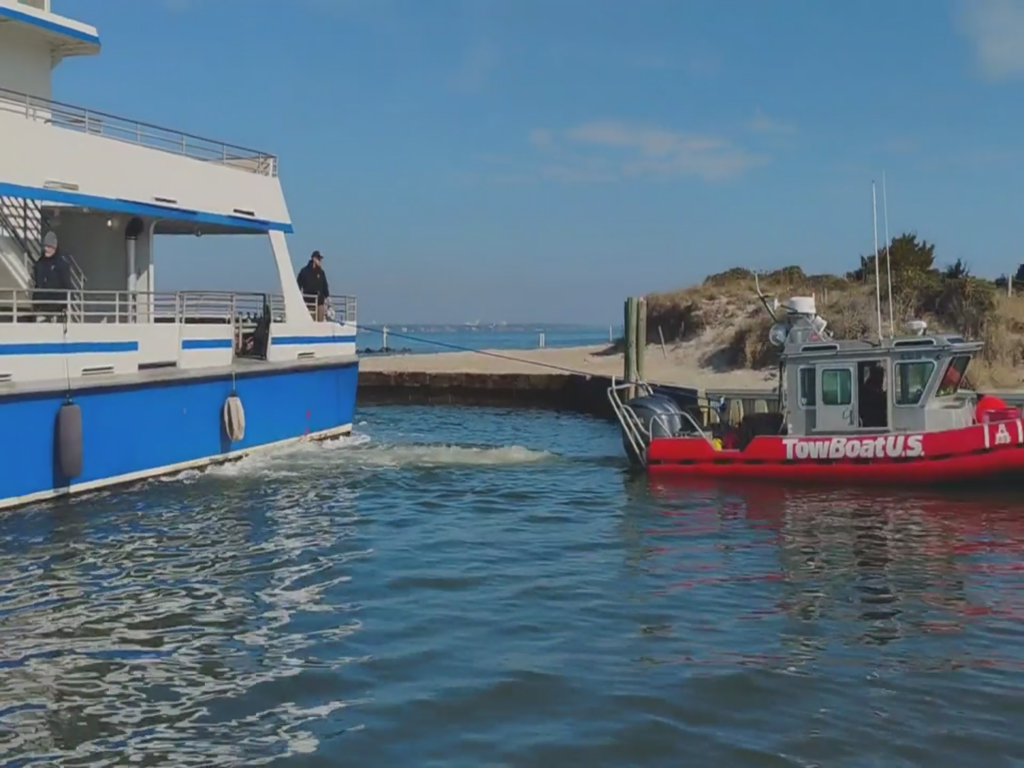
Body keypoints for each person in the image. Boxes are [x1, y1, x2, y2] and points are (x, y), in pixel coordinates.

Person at [32, 231, 72, 322]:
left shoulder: (62, 265)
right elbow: (37, 285)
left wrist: (64, 306)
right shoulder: (39, 264)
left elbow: (67, 286)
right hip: (41, 308)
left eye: (50, 247)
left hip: (57, 309)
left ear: (55, 247)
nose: (47, 249)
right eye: (45, 246)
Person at [296, 250, 330, 321]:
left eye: (320, 259)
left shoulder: (321, 272)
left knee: (320, 323)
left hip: (320, 302)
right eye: (318, 259)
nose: (320, 261)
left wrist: (327, 297)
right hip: (309, 302)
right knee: (310, 321)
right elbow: (298, 285)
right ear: (314, 259)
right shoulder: (304, 271)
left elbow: (325, 286)